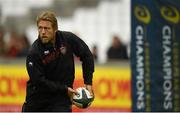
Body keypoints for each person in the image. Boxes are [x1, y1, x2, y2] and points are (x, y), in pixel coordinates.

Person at [22, 11, 94, 112]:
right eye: (40, 28)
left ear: (55, 29)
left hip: (61, 101)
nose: (43, 32)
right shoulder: (34, 53)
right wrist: (65, 89)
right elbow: (39, 82)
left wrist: (88, 82)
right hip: (37, 103)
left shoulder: (68, 39)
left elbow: (87, 55)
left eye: (46, 28)